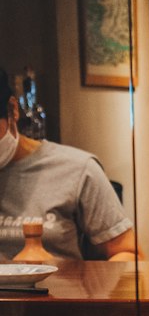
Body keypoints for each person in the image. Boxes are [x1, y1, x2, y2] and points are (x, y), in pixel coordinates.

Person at [0, 67, 136, 262]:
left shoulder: (77, 169)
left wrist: (73, 280)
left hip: (61, 291)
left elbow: (128, 254)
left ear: (13, 110)